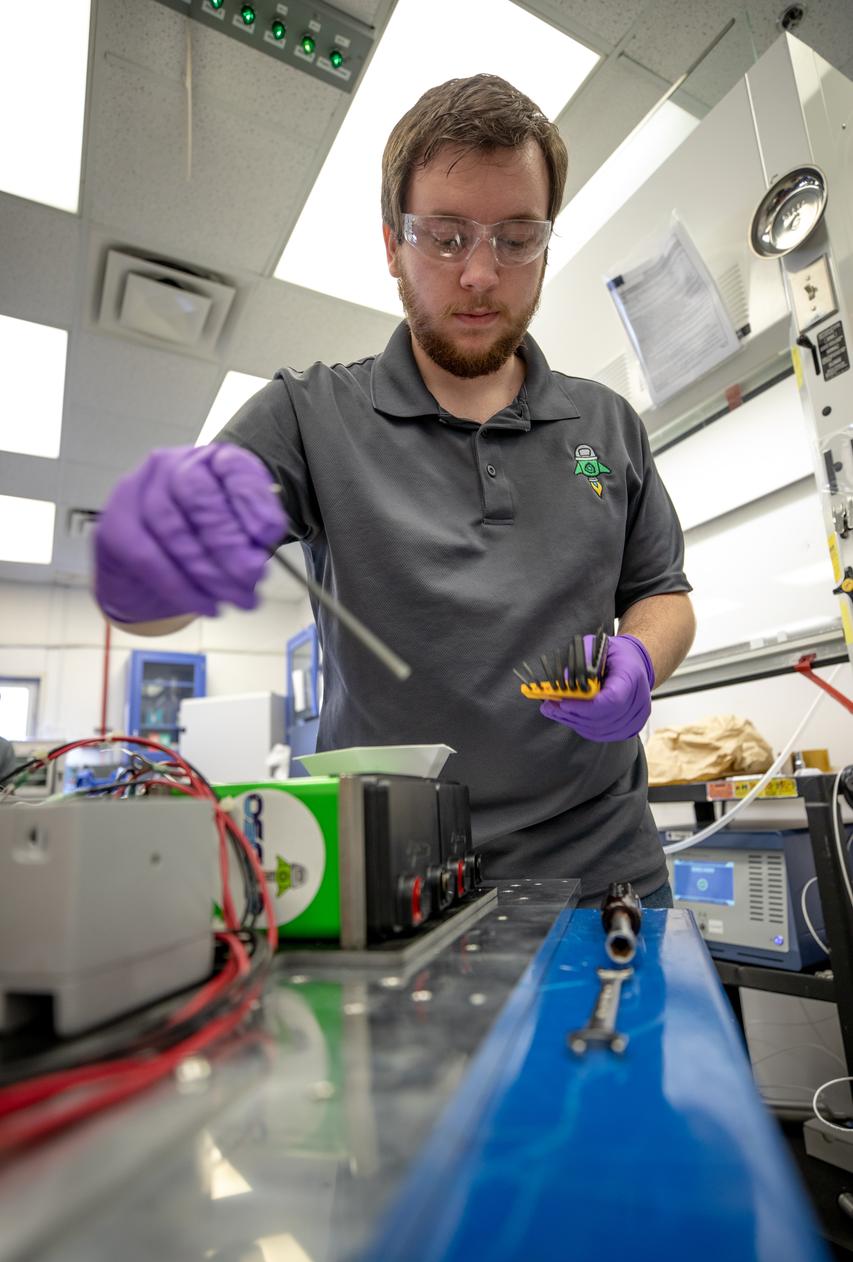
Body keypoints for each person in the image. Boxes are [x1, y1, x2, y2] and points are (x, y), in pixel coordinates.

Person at [93, 74, 695, 906]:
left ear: (546, 245)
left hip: (605, 875)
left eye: (516, 238)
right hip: (394, 882)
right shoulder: (306, 416)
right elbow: (152, 607)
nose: (482, 274)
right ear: (391, 245)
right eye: (445, 238)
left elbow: (662, 591)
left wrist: (640, 657)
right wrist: (142, 565)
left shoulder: (608, 424)